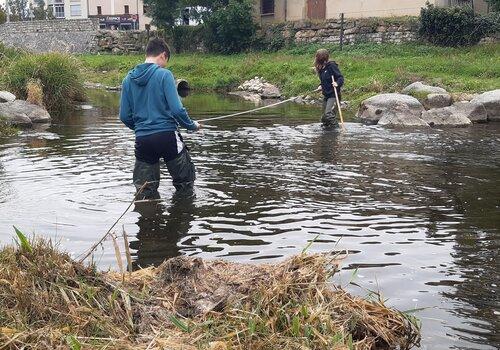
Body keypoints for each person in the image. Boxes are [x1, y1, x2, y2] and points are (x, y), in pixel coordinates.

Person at [119, 38, 200, 199]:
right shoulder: (165, 75)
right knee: (185, 183)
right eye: (166, 62)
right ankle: (182, 217)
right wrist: (192, 126)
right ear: (163, 55)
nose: (165, 66)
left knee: (145, 190)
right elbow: (177, 109)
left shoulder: (128, 80)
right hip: (167, 136)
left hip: (143, 139)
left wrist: (141, 128)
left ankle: (148, 219)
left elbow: (124, 116)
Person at [314, 49, 344, 129]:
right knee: (323, 118)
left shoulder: (331, 66)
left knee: (328, 114)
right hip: (326, 95)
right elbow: (324, 80)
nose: (316, 59)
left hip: (333, 95)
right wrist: (321, 85)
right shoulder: (321, 68)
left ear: (323, 58)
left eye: (318, 57)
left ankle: (336, 129)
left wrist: (337, 83)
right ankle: (326, 130)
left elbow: (340, 77)